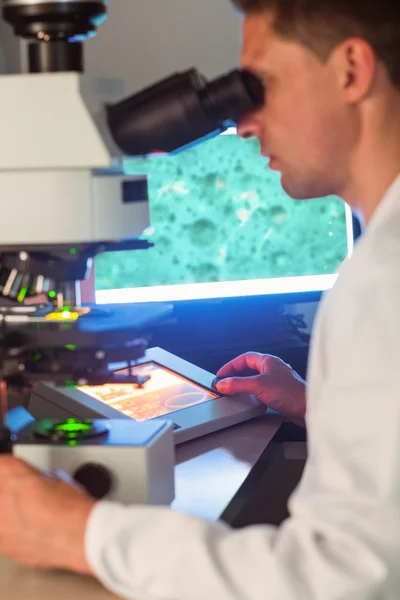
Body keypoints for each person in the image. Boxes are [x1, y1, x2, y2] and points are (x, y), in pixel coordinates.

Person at [1, 0, 400, 597]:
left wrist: (78, 533)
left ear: (350, 69)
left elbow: (341, 581)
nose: (242, 122)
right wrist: (322, 405)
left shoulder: (381, 280)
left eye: (259, 83)